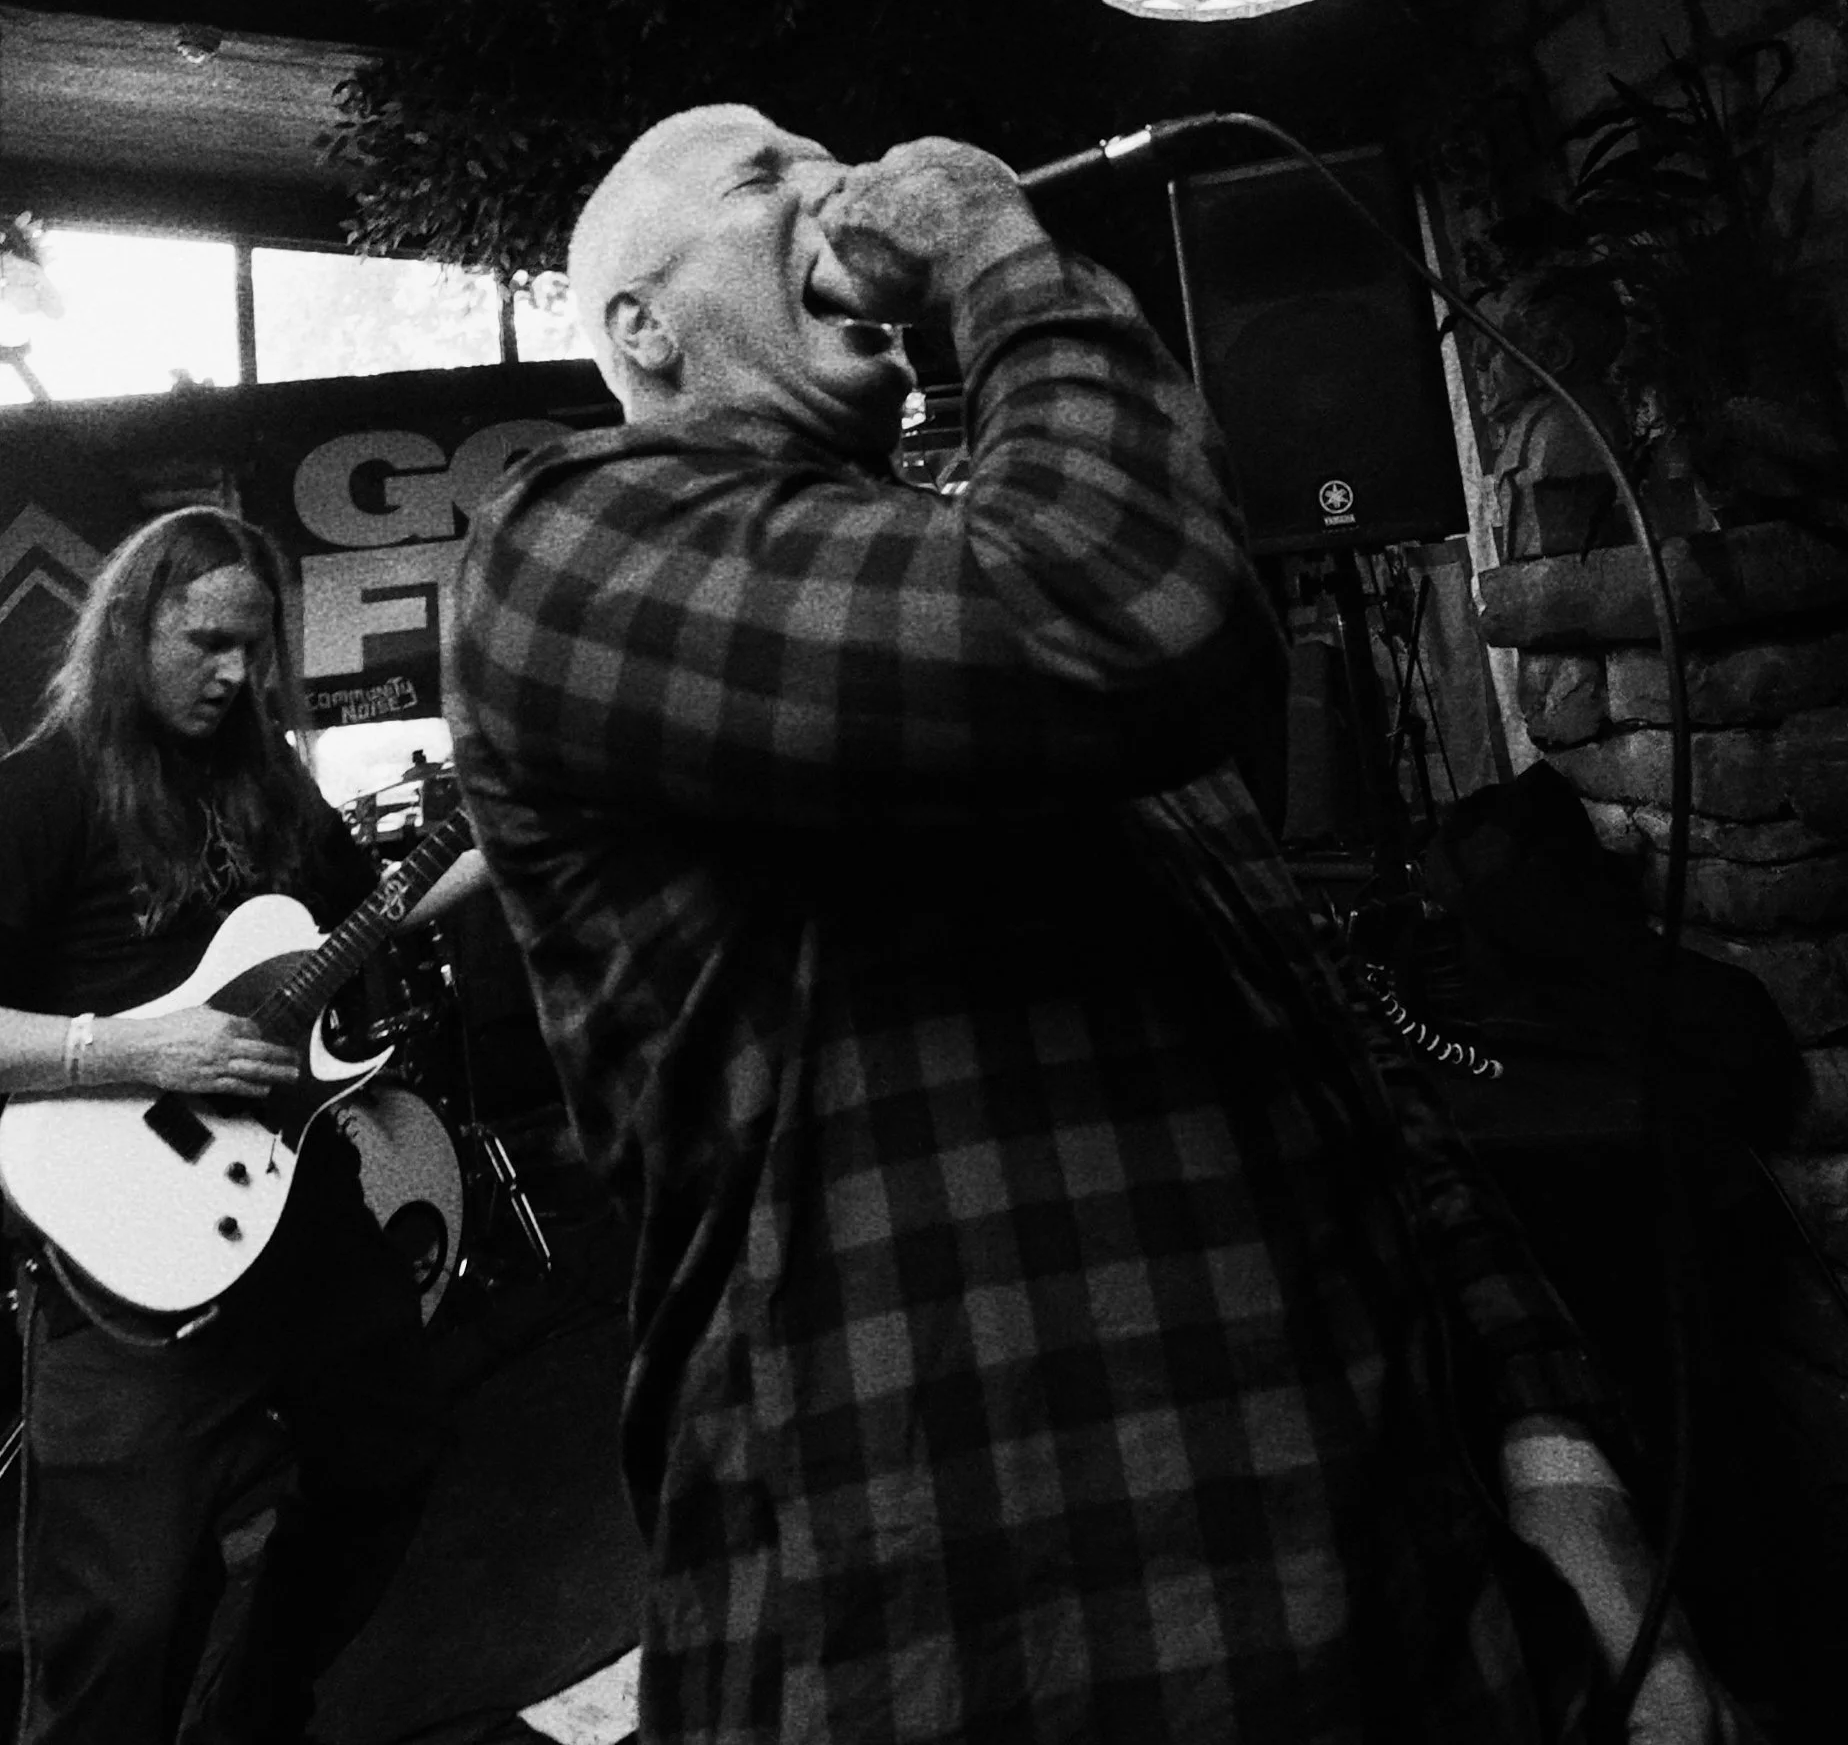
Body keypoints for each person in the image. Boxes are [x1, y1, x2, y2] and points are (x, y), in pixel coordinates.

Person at [447, 106, 1747, 1743]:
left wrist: (1559, 1460)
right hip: (985, 1645)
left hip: (1411, 1630)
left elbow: (1346, 1078)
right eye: (764, 175)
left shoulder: (992, 594)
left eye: (826, 158)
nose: (835, 185)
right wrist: (987, 230)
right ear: (641, 326)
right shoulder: (569, 541)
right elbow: (1129, 608)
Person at [0, 504, 489, 1745]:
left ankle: (256, 1711)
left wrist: (502, 834)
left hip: (296, 1206)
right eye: (206, 640)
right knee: (125, 1614)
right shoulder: (48, 786)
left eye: (251, 647)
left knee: (388, 1461)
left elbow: (358, 922)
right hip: (127, 1250)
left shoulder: (267, 775)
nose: (234, 672)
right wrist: (118, 1045)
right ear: (130, 626)